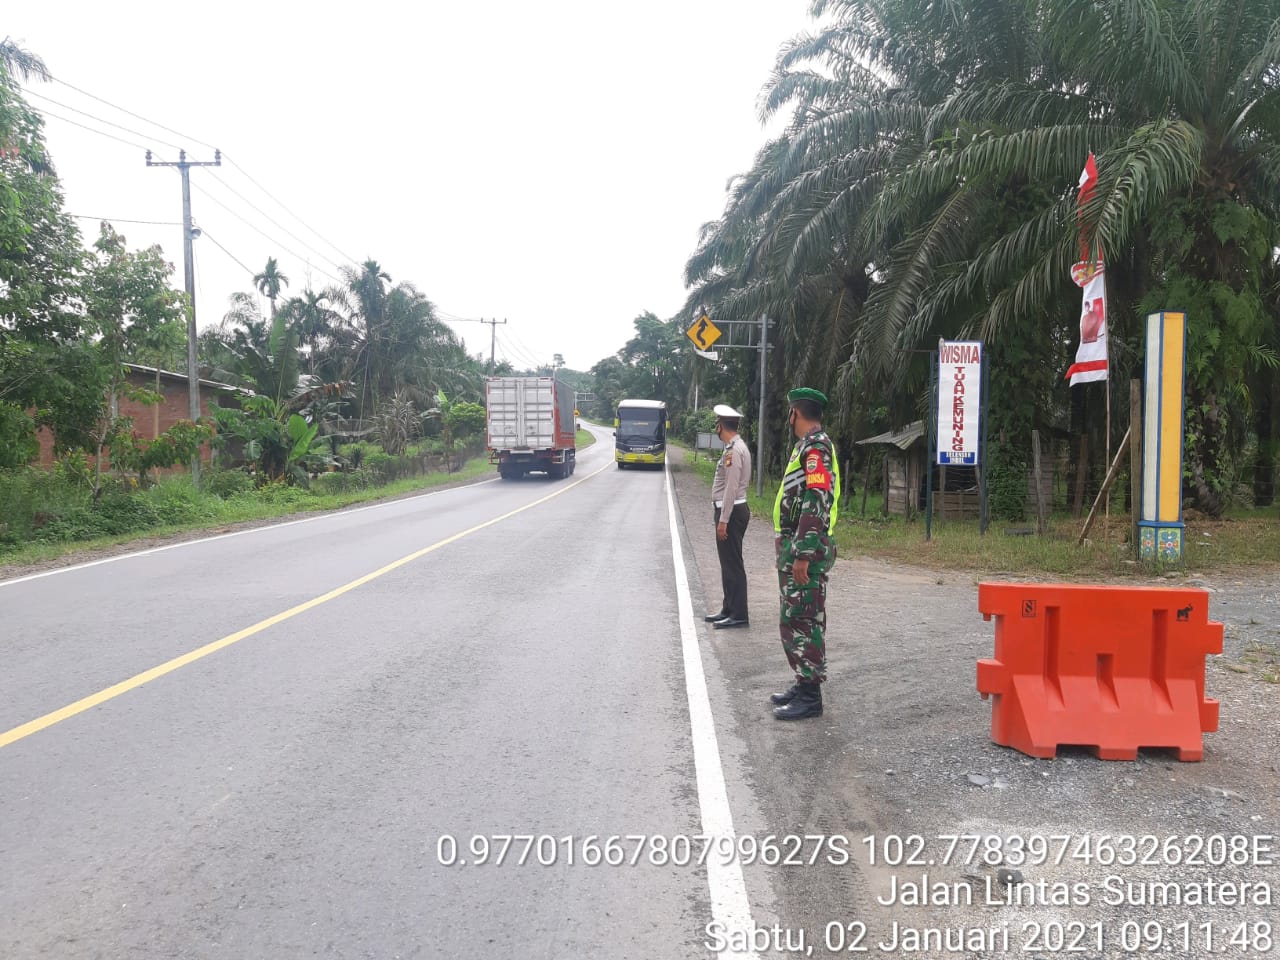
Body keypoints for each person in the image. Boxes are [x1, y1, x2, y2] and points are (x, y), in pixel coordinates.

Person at [770, 387, 841, 720]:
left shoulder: (816, 450)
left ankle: (811, 696)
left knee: (803, 619)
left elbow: (817, 500)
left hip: (804, 550)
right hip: (795, 546)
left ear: (794, 413)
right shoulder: (808, 448)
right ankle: (803, 681)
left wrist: (803, 552)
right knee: (793, 618)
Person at [705, 404, 753, 629]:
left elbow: (731, 488)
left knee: (732, 564)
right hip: (732, 511)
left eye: (717, 423)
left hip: (732, 512)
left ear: (722, 425)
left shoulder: (734, 450)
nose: (716, 427)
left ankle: (739, 615)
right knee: (728, 564)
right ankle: (729, 608)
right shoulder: (735, 447)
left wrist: (723, 519)